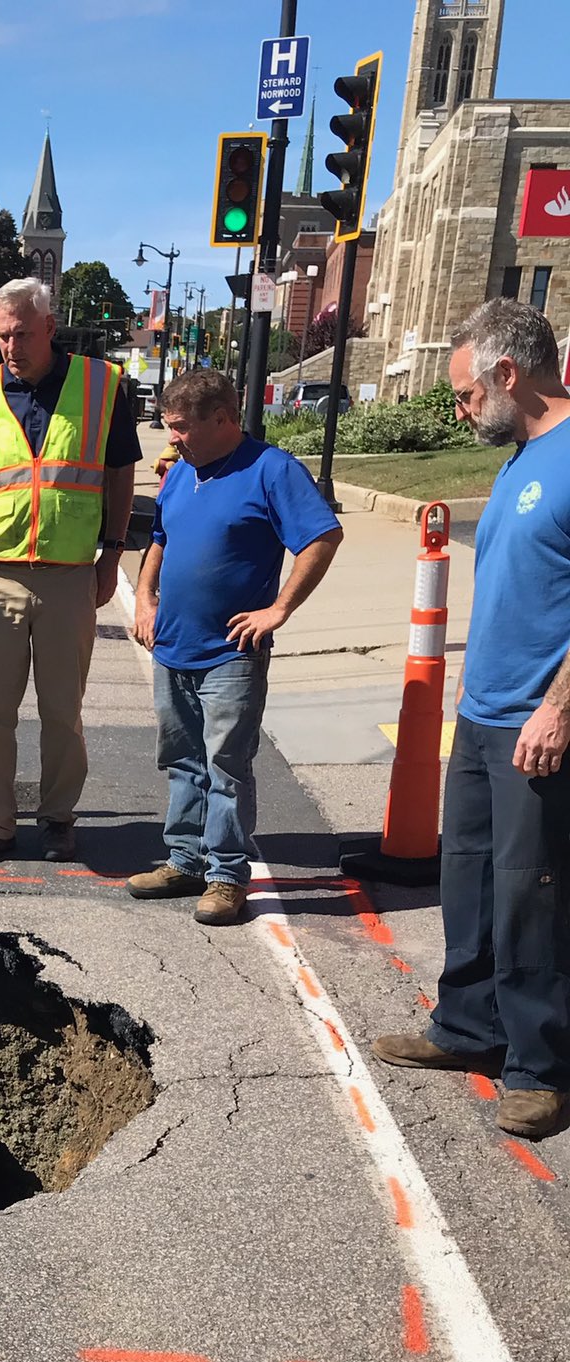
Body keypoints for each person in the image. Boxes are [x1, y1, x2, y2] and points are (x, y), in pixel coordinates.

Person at [373, 299, 570, 1141]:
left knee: (533, 896)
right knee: (473, 879)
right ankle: (468, 1028)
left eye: (462, 394)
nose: (459, 410)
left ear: (507, 374)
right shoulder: (524, 460)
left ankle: (538, 1066)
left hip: (539, 721)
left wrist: (558, 709)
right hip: (485, 714)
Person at [0, 278, 141, 866]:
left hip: (69, 574)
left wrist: (112, 553)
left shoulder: (101, 386)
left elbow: (120, 473)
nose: (10, 345)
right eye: (2, 335)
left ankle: (58, 819)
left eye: (21, 333)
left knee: (61, 711)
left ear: (50, 326)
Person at [128, 367, 342, 924]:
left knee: (226, 765)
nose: (170, 436)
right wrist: (145, 599)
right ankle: (184, 860)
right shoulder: (181, 472)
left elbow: (322, 537)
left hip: (229, 653)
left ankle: (225, 876)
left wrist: (279, 609)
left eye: (180, 427)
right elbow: (161, 539)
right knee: (182, 760)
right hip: (172, 645)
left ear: (222, 418)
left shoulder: (271, 470)